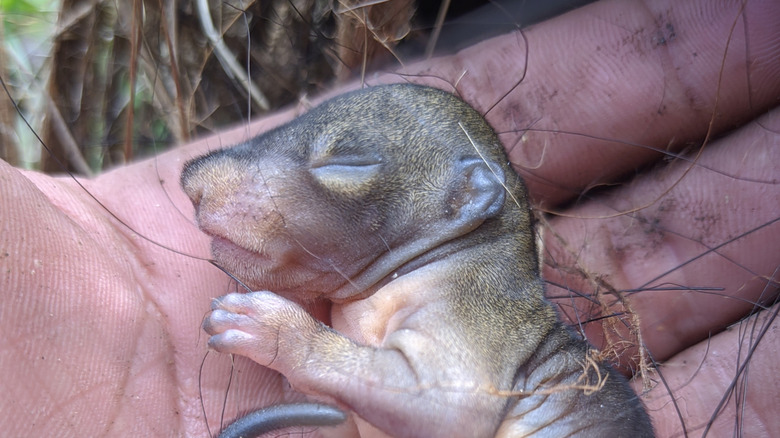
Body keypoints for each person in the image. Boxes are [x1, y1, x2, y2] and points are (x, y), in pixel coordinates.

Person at [1, 0, 777, 435]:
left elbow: (451, 408)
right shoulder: (409, 304)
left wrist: (298, 344)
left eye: (342, 169)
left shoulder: (469, 311)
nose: (203, 189)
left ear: (462, 203)